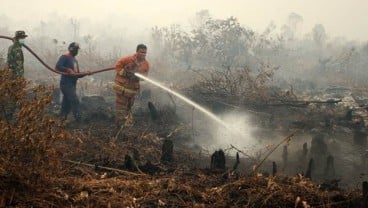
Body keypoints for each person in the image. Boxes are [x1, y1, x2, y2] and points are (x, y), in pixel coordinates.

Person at [113, 44, 149, 126]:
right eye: (141, 52)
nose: (143, 54)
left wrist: (138, 77)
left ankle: (128, 123)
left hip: (132, 90)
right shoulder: (127, 59)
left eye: (145, 53)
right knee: (121, 106)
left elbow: (145, 76)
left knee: (129, 106)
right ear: (137, 52)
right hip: (121, 88)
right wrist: (126, 73)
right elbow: (117, 66)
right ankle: (120, 124)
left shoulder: (146, 64)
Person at [55, 42, 90, 122]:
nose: (77, 51)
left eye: (77, 49)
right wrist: (67, 70)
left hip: (72, 84)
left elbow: (77, 74)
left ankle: (62, 118)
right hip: (66, 84)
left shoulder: (75, 61)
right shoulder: (65, 57)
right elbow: (58, 66)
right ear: (71, 49)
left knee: (66, 102)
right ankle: (79, 119)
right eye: (76, 49)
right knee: (74, 100)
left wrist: (85, 73)